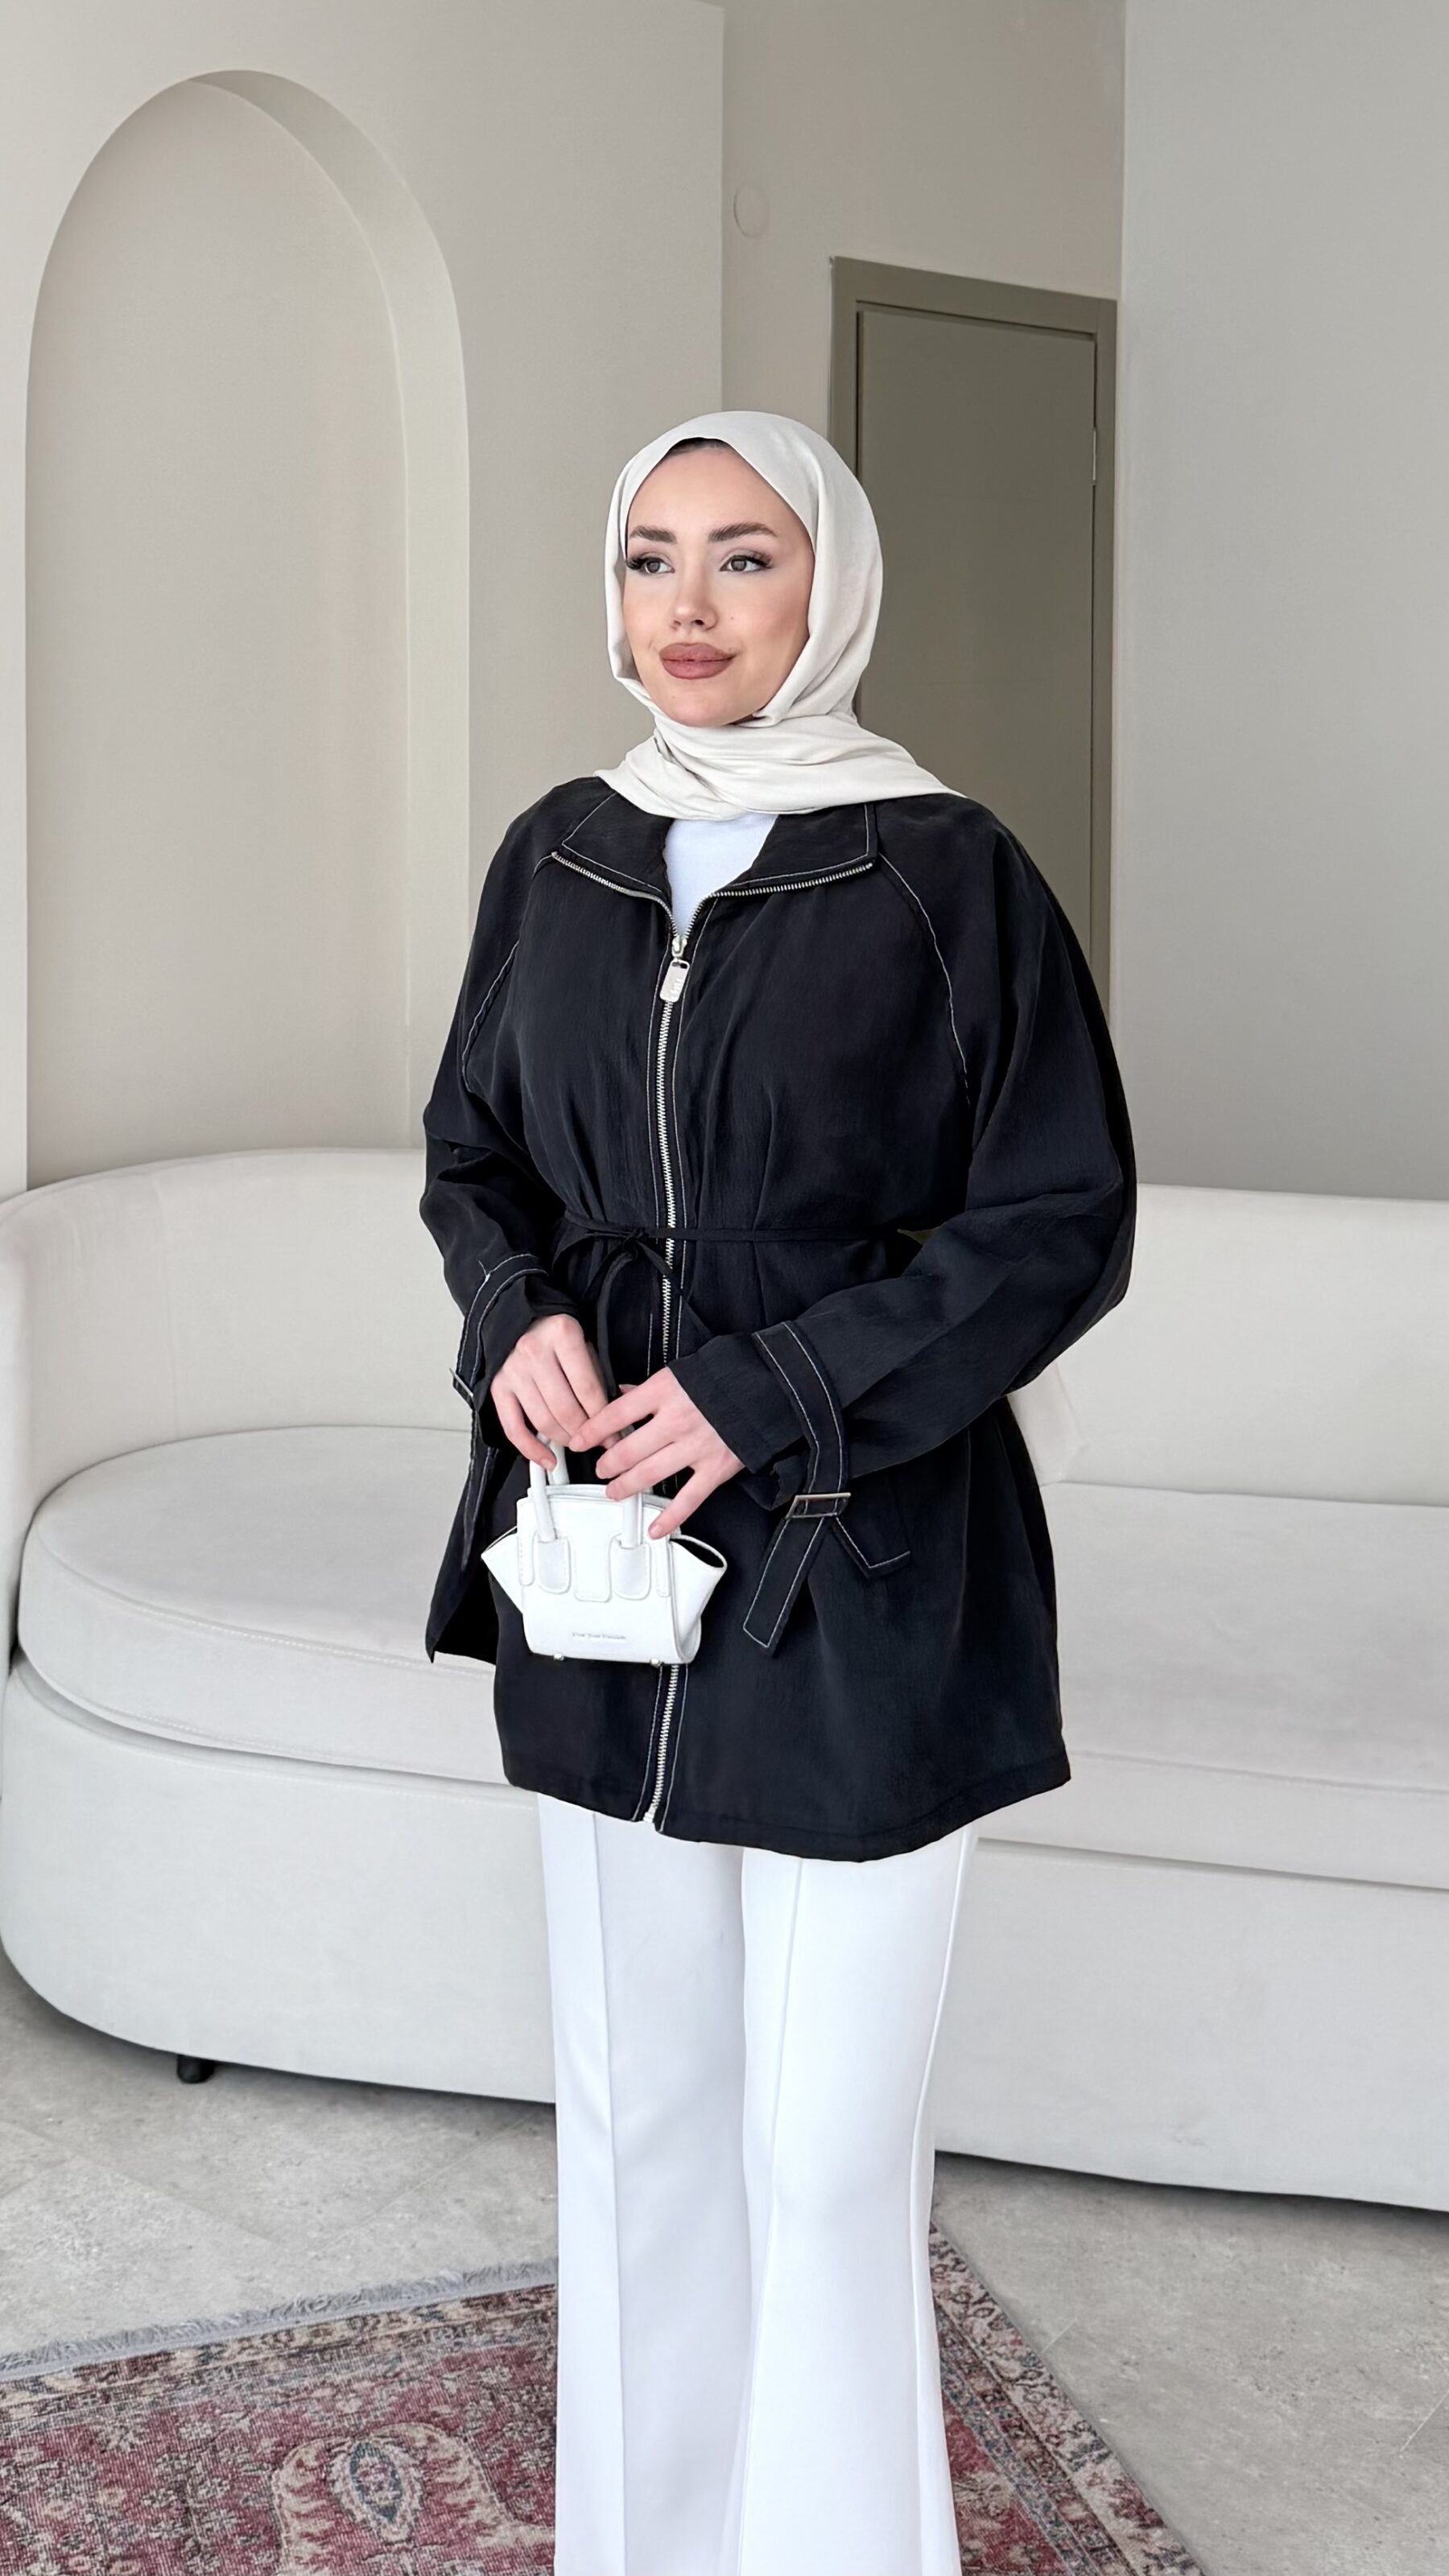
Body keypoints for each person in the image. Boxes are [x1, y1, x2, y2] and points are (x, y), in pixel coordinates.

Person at [418, 409, 1136, 2576]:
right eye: (651, 558)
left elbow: (1058, 1221)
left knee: (821, 2162)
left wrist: (773, 1390)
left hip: (864, 1568)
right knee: (638, 2119)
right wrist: (512, 1315)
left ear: (832, 584)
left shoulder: (946, 873)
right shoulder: (560, 852)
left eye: (745, 557)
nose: (691, 607)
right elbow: (473, 1152)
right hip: (602, 1563)